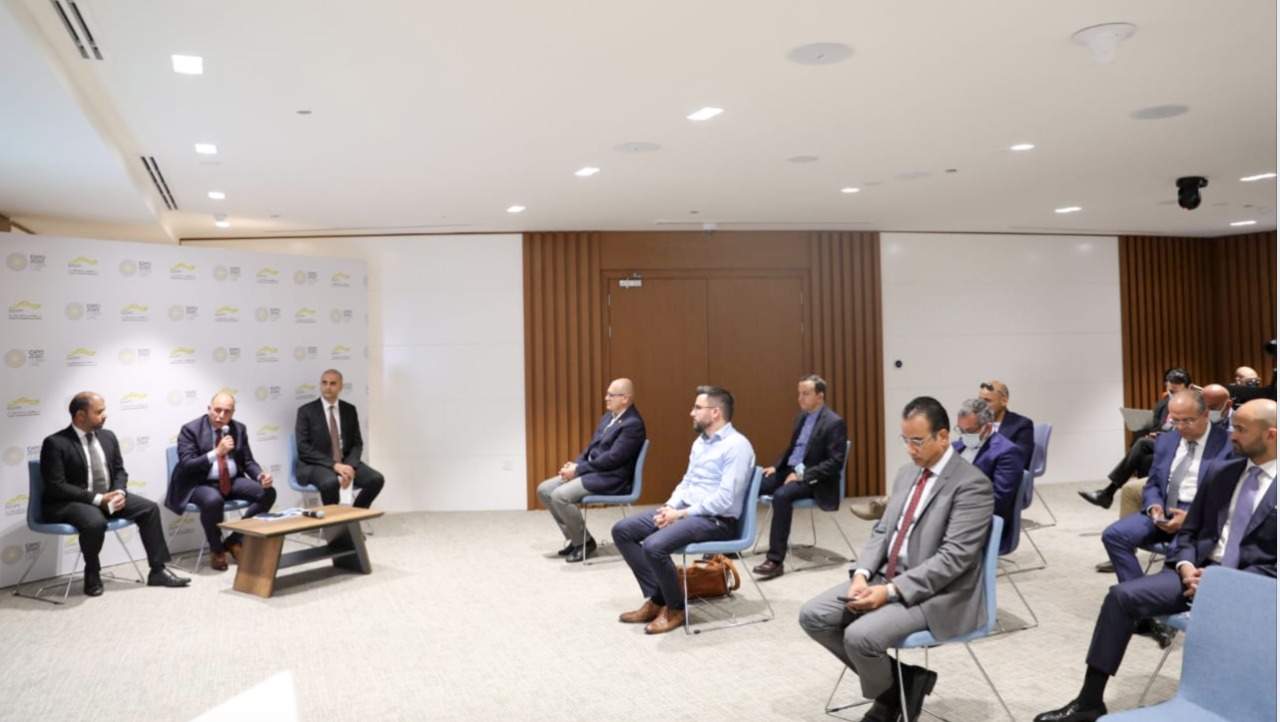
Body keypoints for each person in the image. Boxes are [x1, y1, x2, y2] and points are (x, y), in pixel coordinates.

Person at [1035, 398, 1276, 722]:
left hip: (1255, 586)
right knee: (1120, 597)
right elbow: (1190, 532)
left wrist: (1222, 584)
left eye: (1241, 429)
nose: (1232, 434)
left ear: (1271, 435)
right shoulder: (1223, 472)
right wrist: (1186, 566)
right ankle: (1089, 701)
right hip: (1196, 572)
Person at [799, 397, 993, 722]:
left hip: (936, 593)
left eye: (917, 440)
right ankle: (902, 685)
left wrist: (890, 592)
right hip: (885, 577)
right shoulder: (906, 474)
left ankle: (889, 700)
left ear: (943, 436)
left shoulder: (971, 484)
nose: (909, 449)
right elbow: (882, 531)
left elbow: (953, 559)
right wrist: (861, 575)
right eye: (905, 440)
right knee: (813, 615)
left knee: (860, 637)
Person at [612, 386, 754, 634]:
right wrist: (670, 507)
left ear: (716, 412)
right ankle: (658, 599)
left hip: (717, 521)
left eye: (697, 408)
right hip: (687, 512)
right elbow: (687, 482)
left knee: (654, 546)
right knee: (623, 530)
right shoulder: (701, 442)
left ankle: (675, 608)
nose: (691, 412)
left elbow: (724, 499)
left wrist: (680, 515)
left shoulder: (737, 446)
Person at [39, 392, 190, 596]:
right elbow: (57, 486)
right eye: (99, 412)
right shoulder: (55, 443)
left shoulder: (108, 436)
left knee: (149, 509)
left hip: (107, 497)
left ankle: (158, 570)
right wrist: (98, 499)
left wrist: (119, 492)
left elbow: (119, 471)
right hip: (70, 502)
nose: (105, 415)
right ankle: (92, 572)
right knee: (94, 522)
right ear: (81, 415)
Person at [1099, 391, 1232, 593]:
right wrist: (1154, 506)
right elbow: (1153, 482)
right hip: (1164, 509)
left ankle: (1142, 599)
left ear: (1205, 414)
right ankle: (1135, 594)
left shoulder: (1228, 444)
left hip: (1198, 514)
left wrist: (1191, 518)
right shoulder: (1167, 440)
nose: (1181, 427)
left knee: (1177, 560)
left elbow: (1229, 495)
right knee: (1113, 535)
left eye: (1188, 421)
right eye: (1175, 421)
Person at [536, 378, 646, 562]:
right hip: (593, 472)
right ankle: (576, 538)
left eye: (611, 395)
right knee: (544, 489)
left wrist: (578, 470)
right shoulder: (608, 417)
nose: (606, 398)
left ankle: (584, 543)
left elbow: (612, 459)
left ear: (625, 398)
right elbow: (590, 448)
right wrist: (574, 466)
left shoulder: (632, 425)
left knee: (560, 496)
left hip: (611, 478)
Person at [166, 392, 277, 571]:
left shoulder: (238, 429)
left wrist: (260, 476)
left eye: (227, 412)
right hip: (199, 482)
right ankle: (216, 549)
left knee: (268, 493)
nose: (221, 416)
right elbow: (187, 464)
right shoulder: (190, 429)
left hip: (231, 480)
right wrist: (216, 453)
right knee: (213, 500)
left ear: (233, 413)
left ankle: (235, 539)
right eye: (217, 410)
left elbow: (247, 461)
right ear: (209, 409)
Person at [753, 374, 848, 579]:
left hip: (815, 479)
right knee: (752, 485)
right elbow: (793, 448)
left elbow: (835, 463)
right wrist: (776, 467)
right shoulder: (801, 417)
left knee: (782, 495)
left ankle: (775, 561)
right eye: (799, 393)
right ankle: (730, 544)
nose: (800, 398)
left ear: (820, 396)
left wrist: (802, 476)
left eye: (806, 394)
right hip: (790, 471)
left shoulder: (834, 423)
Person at [1079, 367, 1192, 509]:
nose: (1172, 394)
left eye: (1176, 391)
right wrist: (1156, 433)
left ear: (1188, 388)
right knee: (1145, 458)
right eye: (1170, 390)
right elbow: (1156, 428)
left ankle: (1109, 492)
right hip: (1162, 444)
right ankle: (1148, 502)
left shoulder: (1194, 406)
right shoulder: (1162, 405)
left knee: (1142, 443)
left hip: (1183, 445)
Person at [295, 369, 386, 509]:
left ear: (340, 387)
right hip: (316, 464)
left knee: (376, 479)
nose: (327, 387)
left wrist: (349, 466)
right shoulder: (306, 411)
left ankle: (354, 516)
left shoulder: (349, 410)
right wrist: (335, 465)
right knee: (330, 483)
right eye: (324, 383)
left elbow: (357, 443)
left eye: (332, 383)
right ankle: (335, 522)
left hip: (346, 461)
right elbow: (303, 448)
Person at [953, 398, 1024, 554]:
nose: (964, 436)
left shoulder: (1007, 452)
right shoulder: (956, 447)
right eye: (960, 430)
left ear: (988, 427)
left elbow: (998, 501)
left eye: (969, 431)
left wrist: (956, 509)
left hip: (980, 522)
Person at [977, 380, 1035, 471]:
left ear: (1004, 400)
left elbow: (1020, 460)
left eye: (987, 401)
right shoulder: (977, 424)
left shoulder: (1021, 425)